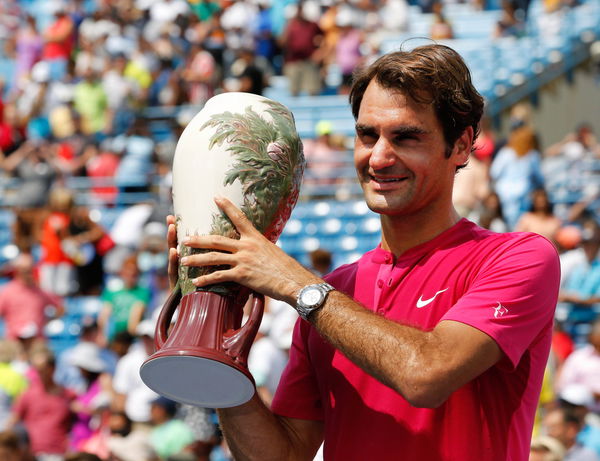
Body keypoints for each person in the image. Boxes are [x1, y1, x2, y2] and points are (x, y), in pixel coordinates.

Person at [168, 45, 560, 460]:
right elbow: (282, 456)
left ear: (461, 145)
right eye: (367, 134)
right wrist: (220, 339)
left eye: (406, 137)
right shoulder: (333, 292)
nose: (379, 156)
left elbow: (426, 375)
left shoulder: (519, 257)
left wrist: (298, 286)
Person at [0, 253, 64, 341]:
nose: (28, 274)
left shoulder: (40, 291)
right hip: (14, 341)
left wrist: (47, 320)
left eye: (30, 270)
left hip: (37, 340)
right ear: (18, 271)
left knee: (41, 354)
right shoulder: (7, 291)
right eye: (25, 270)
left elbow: (60, 307)